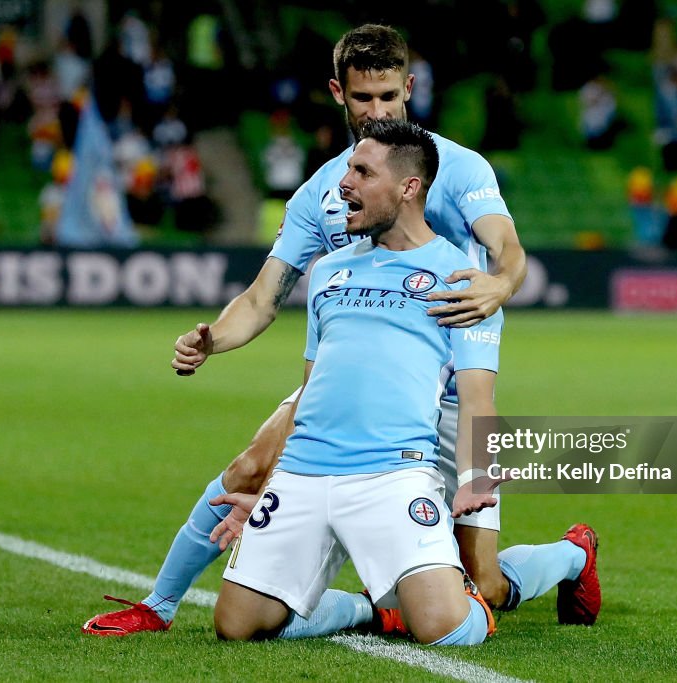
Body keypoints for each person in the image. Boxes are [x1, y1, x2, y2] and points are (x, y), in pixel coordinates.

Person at [83, 24, 599, 637]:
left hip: (443, 385)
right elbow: (262, 295)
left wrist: (500, 284)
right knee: (252, 463)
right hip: (348, 386)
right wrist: (212, 339)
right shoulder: (324, 190)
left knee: (481, 583)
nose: (378, 113)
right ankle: (158, 605)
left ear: (409, 89)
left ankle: (573, 556)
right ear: (338, 93)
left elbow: (507, 250)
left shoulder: (456, 168)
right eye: (363, 99)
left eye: (389, 97)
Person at [217, 119, 498, 644]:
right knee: (236, 626)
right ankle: (365, 611)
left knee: (443, 629)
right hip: (304, 474)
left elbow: (478, 398)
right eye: (348, 168)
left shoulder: (462, 280)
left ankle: (471, 600)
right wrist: (271, 486)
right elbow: (312, 389)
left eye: (362, 172)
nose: (344, 182)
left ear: (408, 188)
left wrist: (475, 475)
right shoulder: (328, 271)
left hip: (392, 476)